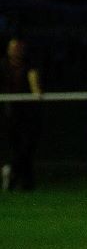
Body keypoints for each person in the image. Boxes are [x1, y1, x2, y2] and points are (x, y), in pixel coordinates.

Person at [1, 37, 43, 192]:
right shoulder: (4, 65)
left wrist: (36, 91)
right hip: (11, 114)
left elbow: (34, 82)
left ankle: (11, 172)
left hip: (29, 114)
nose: (15, 51)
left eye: (18, 48)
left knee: (27, 148)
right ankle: (25, 183)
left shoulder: (29, 64)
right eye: (12, 48)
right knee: (18, 148)